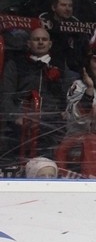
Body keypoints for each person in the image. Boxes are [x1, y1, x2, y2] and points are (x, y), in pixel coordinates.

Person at [1, 27, 66, 172]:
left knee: (48, 166)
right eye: (36, 39)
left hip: (51, 127)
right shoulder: (16, 64)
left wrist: (63, 112)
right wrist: (15, 116)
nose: (41, 43)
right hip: (20, 126)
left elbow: (67, 93)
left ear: (50, 44)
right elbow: (6, 94)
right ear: (29, 43)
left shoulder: (60, 65)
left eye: (44, 39)